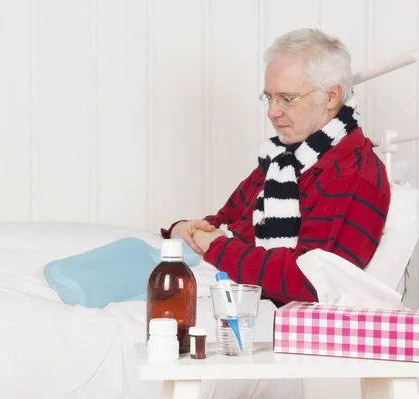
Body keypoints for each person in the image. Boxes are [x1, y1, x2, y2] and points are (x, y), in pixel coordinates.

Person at [161, 28, 391, 306]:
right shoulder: (283, 159)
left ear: (331, 97)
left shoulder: (353, 174)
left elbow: (310, 280)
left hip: (249, 300)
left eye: (286, 98)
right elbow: (225, 221)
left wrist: (215, 245)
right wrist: (183, 229)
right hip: (217, 274)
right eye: (269, 97)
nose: (272, 112)